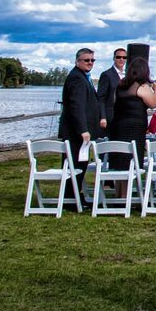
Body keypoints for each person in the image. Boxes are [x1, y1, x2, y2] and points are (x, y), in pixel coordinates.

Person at [108, 57, 156, 199]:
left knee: (120, 163)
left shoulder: (121, 85)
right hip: (134, 128)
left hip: (118, 126)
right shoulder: (141, 87)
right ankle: (125, 196)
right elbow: (153, 104)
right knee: (131, 161)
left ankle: (119, 195)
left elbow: (114, 102)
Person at [58, 48, 100, 209]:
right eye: (86, 60)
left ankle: (75, 195)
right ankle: (71, 197)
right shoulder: (76, 78)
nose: (90, 63)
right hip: (76, 132)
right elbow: (77, 106)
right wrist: (83, 129)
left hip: (80, 131)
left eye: (92, 60)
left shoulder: (83, 77)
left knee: (80, 164)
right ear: (77, 62)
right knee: (74, 165)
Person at [97, 47, 127, 137]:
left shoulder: (127, 75)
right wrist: (103, 117)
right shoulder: (107, 75)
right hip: (110, 117)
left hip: (124, 116)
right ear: (114, 58)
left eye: (124, 57)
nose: (121, 59)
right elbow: (101, 98)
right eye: (118, 57)